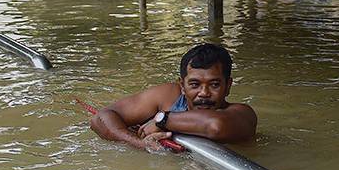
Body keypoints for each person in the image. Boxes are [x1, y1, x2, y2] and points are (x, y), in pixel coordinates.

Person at [90, 43, 257, 151]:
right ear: (182, 86)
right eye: (194, 85)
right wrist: (140, 143)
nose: (204, 93)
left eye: (214, 85)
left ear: (228, 86)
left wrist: (161, 121)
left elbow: (215, 126)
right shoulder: (168, 97)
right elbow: (101, 118)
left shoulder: (242, 114)